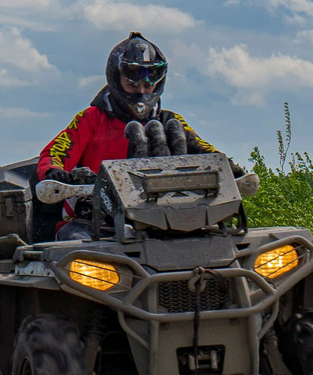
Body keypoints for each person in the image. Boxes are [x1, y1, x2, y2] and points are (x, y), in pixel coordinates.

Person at [35, 35, 221, 239]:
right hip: (95, 221)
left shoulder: (171, 121)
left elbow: (207, 152)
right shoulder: (91, 118)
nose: (141, 92)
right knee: (76, 244)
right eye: (132, 85)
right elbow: (55, 152)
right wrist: (54, 172)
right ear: (116, 79)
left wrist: (228, 166)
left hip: (167, 220)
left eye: (148, 86)